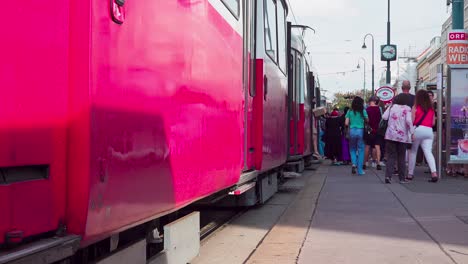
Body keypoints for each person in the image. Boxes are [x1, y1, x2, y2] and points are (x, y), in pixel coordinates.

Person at [382, 93, 414, 184]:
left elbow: (384, 117)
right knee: (401, 157)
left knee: (391, 156)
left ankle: (388, 176)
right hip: (402, 136)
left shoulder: (391, 107)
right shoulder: (407, 109)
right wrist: (412, 132)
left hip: (390, 135)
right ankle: (402, 178)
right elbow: (408, 121)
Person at [408, 90, 438, 182]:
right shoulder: (431, 109)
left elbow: (411, 121)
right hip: (429, 131)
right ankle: (434, 173)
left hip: (418, 130)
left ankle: (410, 174)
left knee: (413, 152)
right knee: (428, 152)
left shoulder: (415, 107)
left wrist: (411, 132)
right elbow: (433, 123)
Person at [345, 97, 368, 175]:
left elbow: (346, 123)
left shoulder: (349, 111)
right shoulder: (363, 111)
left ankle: (354, 164)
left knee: (352, 149)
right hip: (360, 131)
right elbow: (367, 120)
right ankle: (360, 170)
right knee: (361, 150)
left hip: (352, 132)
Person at [364, 96, 383, 170]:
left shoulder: (367, 109)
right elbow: (382, 119)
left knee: (367, 146)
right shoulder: (379, 109)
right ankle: (378, 163)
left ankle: (364, 163)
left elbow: (365, 120)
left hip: (369, 130)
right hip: (377, 130)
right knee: (377, 147)